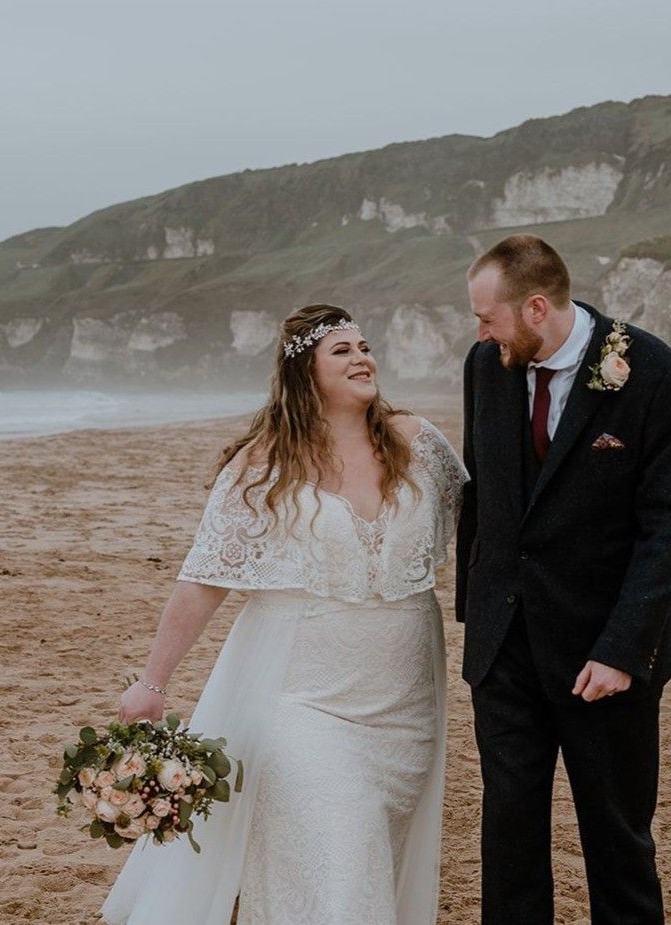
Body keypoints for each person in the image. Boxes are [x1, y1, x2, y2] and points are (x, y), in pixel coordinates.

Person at [100, 304, 467, 925]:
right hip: (304, 697)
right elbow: (203, 579)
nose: (363, 359)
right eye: (342, 351)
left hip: (406, 705)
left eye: (365, 346)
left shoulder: (419, 442)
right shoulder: (265, 463)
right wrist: (151, 683)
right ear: (305, 372)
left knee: (371, 857)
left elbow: (487, 535)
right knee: (342, 856)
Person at [455, 235, 671, 924]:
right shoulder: (486, 364)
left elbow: (668, 528)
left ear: (536, 307)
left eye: (487, 317)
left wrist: (623, 648)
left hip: (604, 655)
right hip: (504, 651)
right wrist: (477, 620)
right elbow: (485, 495)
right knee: (507, 838)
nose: (478, 333)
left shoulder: (653, 374)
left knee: (616, 842)